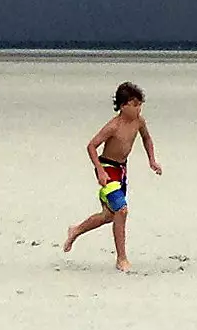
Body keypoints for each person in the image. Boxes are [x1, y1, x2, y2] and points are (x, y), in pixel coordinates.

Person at [63, 80, 161, 270]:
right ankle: (121, 258)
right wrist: (99, 170)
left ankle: (76, 230)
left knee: (109, 215)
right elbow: (91, 145)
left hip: (122, 170)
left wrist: (152, 160)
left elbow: (147, 138)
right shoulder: (113, 126)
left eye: (140, 104)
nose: (139, 108)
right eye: (134, 104)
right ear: (123, 106)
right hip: (108, 169)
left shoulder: (139, 122)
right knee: (122, 210)